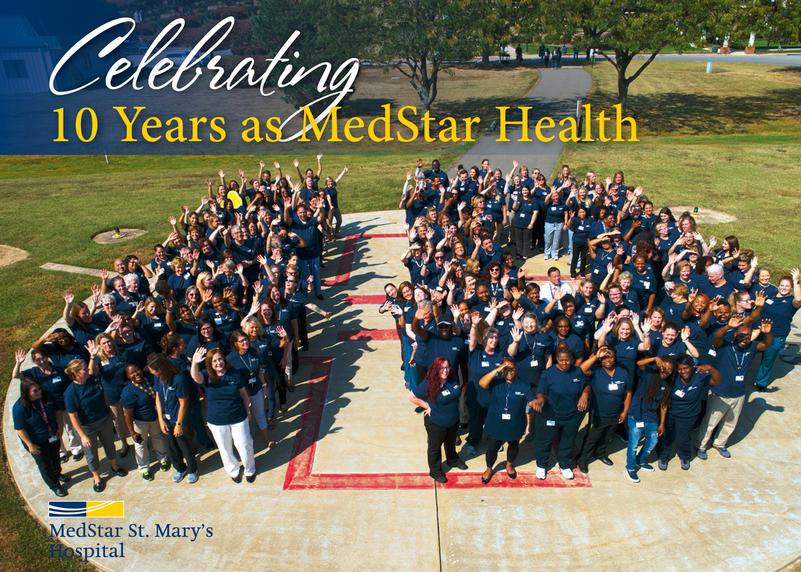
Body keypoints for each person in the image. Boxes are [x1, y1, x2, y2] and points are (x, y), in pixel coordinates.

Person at [697, 317, 773, 459]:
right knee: (710, 422)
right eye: (742, 336)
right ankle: (701, 446)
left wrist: (767, 333)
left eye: (748, 337)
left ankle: (720, 444)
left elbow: (767, 344)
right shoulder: (724, 346)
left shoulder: (752, 347)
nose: (746, 339)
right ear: (734, 335)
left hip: (738, 393)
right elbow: (716, 337)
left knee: (730, 423)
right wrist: (727, 326)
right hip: (720, 392)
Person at [190, 347, 256, 483]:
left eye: (220, 359)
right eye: (214, 361)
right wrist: (195, 363)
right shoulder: (206, 375)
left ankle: (250, 469)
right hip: (217, 421)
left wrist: (248, 411)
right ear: (210, 363)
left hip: (238, 417)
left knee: (245, 444)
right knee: (225, 448)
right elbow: (196, 378)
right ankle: (234, 471)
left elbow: (244, 394)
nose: (218, 363)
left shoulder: (234, 373)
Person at [63, 359, 128, 492]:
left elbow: (102, 395)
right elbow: (73, 416)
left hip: (104, 419)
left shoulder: (93, 379)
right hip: (87, 427)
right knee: (91, 454)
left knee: (110, 444)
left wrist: (109, 410)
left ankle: (114, 466)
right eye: (84, 369)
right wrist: (82, 436)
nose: (87, 371)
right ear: (75, 373)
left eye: (87, 368)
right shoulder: (70, 393)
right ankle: (97, 477)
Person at [530, 348, 589, 480]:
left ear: (572, 359)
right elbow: (541, 392)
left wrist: (584, 395)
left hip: (571, 415)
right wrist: (540, 400)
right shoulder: (548, 373)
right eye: (561, 360)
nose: (564, 363)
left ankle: (565, 465)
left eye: (567, 360)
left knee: (568, 441)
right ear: (557, 359)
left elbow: (586, 385)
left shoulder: (577, 371)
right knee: (544, 441)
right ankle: (541, 465)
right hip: (550, 414)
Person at [407, 357, 466, 483]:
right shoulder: (429, 383)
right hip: (436, 423)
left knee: (450, 443)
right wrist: (427, 406)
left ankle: (452, 460)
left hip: (453, 420)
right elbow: (411, 396)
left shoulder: (452, 379)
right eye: (442, 368)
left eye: (447, 367)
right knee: (435, 448)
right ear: (436, 369)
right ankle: (435, 471)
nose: (445, 370)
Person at [658, 356, 720, 470]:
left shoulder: (700, 377)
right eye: (680, 369)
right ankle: (664, 456)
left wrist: (710, 368)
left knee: (684, 438)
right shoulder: (673, 378)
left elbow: (717, 381)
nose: (683, 371)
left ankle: (685, 456)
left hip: (688, 416)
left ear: (692, 367)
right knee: (667, 436)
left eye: (686, 368)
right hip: (671, 413)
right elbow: (664, 400)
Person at [577, 347, 632, 473]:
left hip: (616, 413)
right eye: (604, 357)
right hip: (599, 413)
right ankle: (583, 460)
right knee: (592, 438)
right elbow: (581, 369)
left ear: (615, 358)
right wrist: (596, 356)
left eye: (610, 356)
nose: (608, 359)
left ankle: (600, 454)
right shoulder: (596, 371)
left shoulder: (622, 372)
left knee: (608, 437)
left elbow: (628, 393)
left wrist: (624, 411)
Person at [478, 359, 532, 484]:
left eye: (512, 369)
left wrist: (529, 424)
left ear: (516, 370)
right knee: (492, 448)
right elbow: (482, 383)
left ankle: (509, 464)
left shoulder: (524, 385)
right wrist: (498, 369)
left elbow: (529, 406)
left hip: (515, 423)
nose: (509, 372)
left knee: (513, 445)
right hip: (495, 423)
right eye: (506, 369)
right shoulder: (496, 383)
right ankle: (489, 468)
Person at [12, 377, 69, 496]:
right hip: (37, 442)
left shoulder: (46, 396)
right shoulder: (19, 408)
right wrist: (30, 445)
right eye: (35, 391)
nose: (39, 392)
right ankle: (55, 486)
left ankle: (58, 474)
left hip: (53, 435)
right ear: (26, 393)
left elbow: (58, 411)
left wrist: (59, 427)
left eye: (39, 389)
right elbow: (20, 429)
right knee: (45, 465)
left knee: (55, 458)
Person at [148, 353, 198, 484]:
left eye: (153, 370)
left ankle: (192, 470)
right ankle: (180, 468)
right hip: (166, 419)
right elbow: (158, 397)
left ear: (160, 369)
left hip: (179, 418)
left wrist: (179, 423)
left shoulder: (178, 379)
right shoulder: (157, 378)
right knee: (171, 447)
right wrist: (160, 419)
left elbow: (184, 402)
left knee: (184, 445)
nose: (151, 373)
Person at [121, 363, 170, 480]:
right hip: (140, 422)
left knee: (158, 438)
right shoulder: (128, 391)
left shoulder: (149, 381)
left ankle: (163, 458)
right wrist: (132, 432)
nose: (136, 373)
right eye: (131, 373)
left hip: (155, 418)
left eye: (137, 370)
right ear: (128, 376)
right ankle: (144, 467)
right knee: (141, 444)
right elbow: (128, 415)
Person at [754, 269, 800, 391]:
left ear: (791, 288)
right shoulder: (770, 296)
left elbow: (799, 299)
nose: (784, 288)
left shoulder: (792, 302)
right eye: (782, 285)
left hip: (776, 335)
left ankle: (760, 382)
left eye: (787, 286)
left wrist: (796, 281)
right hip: (759, 332)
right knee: (749, 353)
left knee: (767, 360)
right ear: (778, 286)